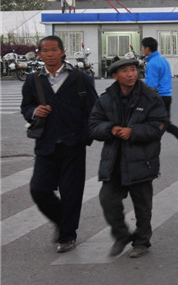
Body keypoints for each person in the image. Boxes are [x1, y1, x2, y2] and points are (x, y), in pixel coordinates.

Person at [21, 35, 98, 253]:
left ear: (63, 52)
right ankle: (62, 220)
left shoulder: (81, 79)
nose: (50, 54)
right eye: (45, 51)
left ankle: (67, 235)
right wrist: (35, 111)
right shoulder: (33, 80)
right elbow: (26, 107)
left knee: (71, 193)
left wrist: (86, 136)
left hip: (73, 145)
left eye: (54, 50)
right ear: (39, 54)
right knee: (39, 189)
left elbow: (93, 110)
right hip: (45, 144)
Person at [89, 58, 168, 258]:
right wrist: (111, 129)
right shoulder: (106, 98)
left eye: (133, 70)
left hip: (142, 159)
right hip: (114, 160)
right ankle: (121, 235)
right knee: (107, 199)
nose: (131, 74)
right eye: (125, 71)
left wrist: (133, 131)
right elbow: (93, 125)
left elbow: (159, 125)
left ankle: (142, 242)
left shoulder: (150, 96)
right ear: (115, 76)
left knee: (142, 205)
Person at [141, 37, 178, 156]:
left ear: (147, 48)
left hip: (158, 97)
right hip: (167, 96)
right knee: (164, 124)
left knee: (157, 124)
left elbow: (151, 87)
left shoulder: (152, 64)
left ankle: (151, 151)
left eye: (142, 47)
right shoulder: (162, 60)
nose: (142, 50)